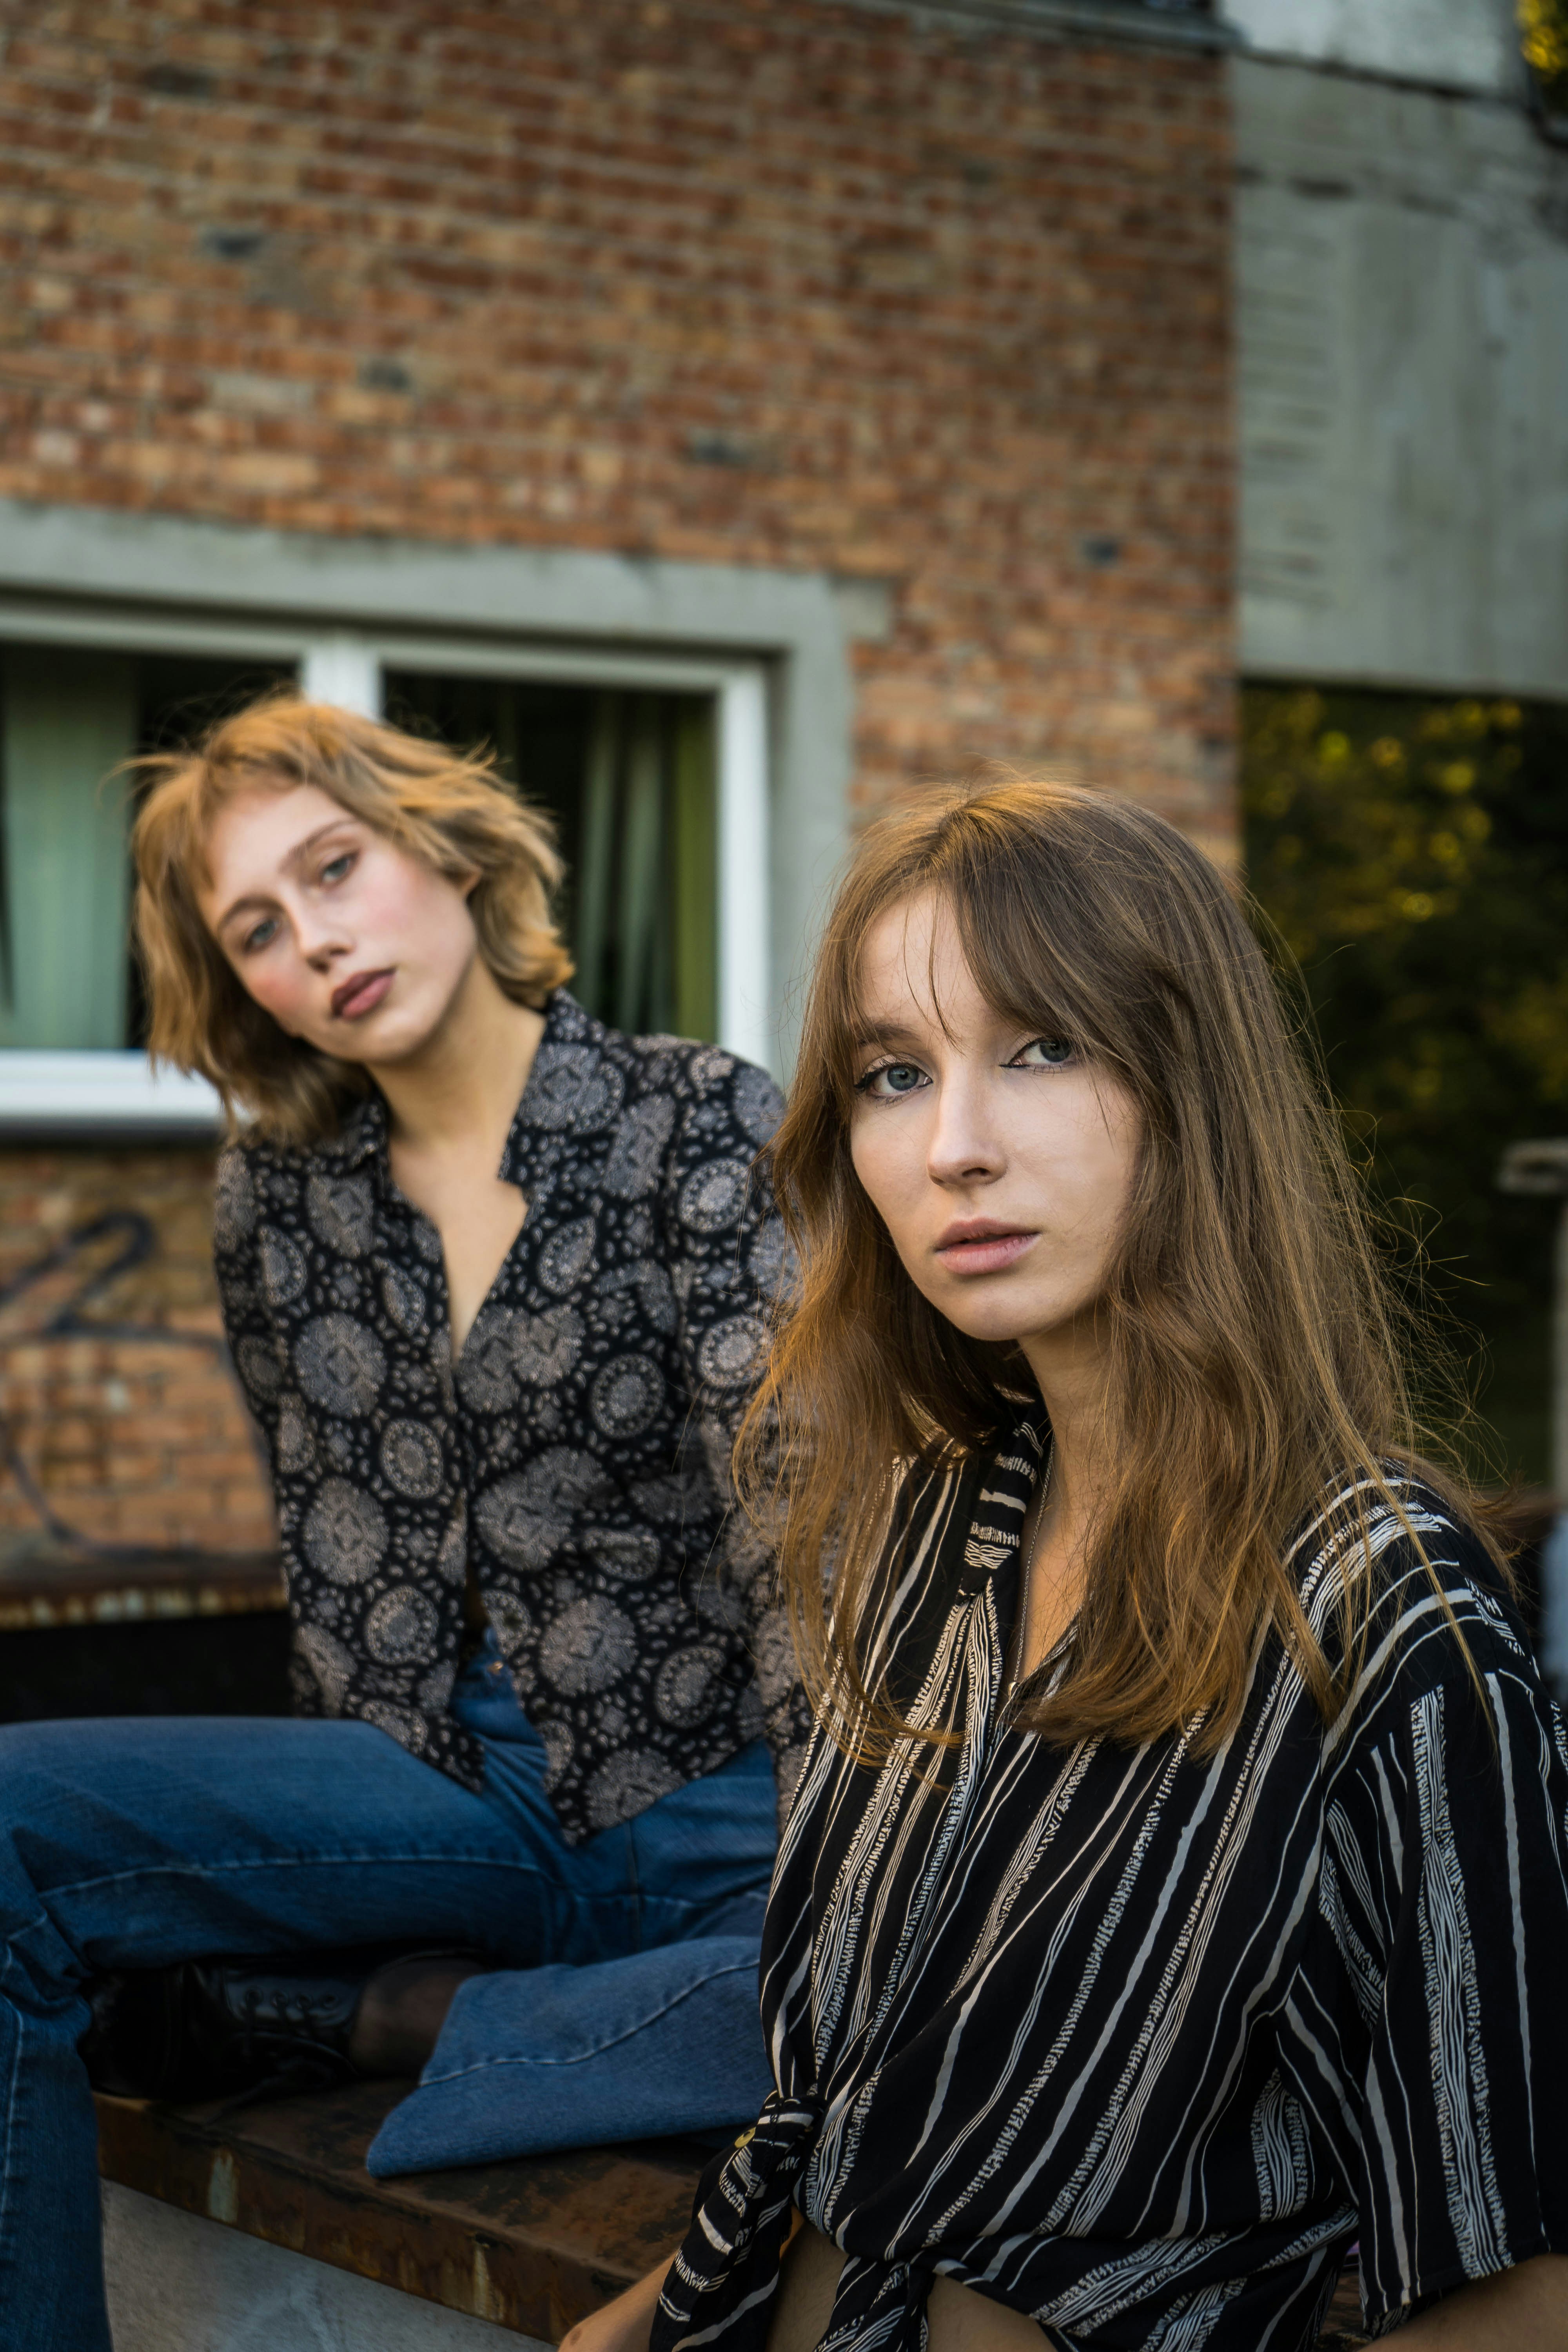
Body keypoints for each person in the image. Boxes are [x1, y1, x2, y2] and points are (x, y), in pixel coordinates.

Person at [569, 782, 1568, 2352]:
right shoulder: (922, 1530)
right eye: (893, 1075)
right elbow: (838, 2118)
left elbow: (1520, 2295)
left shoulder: (1391, 1617)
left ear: (1190, 1089)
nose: (954, 1147)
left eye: (1044, 1047)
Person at [0, 692, 809, 2352]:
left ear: (442, 844)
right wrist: (311, 1875)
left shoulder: (697, 1122)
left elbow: (808, 1525)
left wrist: (864, 1848)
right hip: (448, 1789)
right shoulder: (275, 1205)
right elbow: (328, 1551)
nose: (318, 940)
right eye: (260, 930)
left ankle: (383, 2024)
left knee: (921, 1996)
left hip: (730, 1795)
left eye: (336, 867)